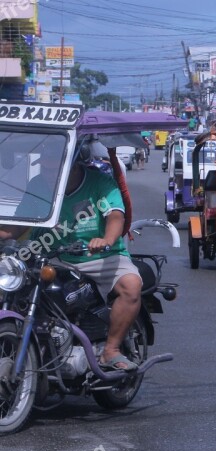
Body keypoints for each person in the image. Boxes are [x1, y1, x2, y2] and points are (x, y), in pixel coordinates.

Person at [0, 140, 143, 372]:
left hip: (98, 257)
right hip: (51, 256)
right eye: (45, 168)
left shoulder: (100, 183)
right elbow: (18, 224)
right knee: (10, 285)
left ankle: (111, 350)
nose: (48, 173)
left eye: (54, 168)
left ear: (74, 165)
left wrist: (106, 240)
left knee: (131, 286)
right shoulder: (38, 185)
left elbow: (116, 216)